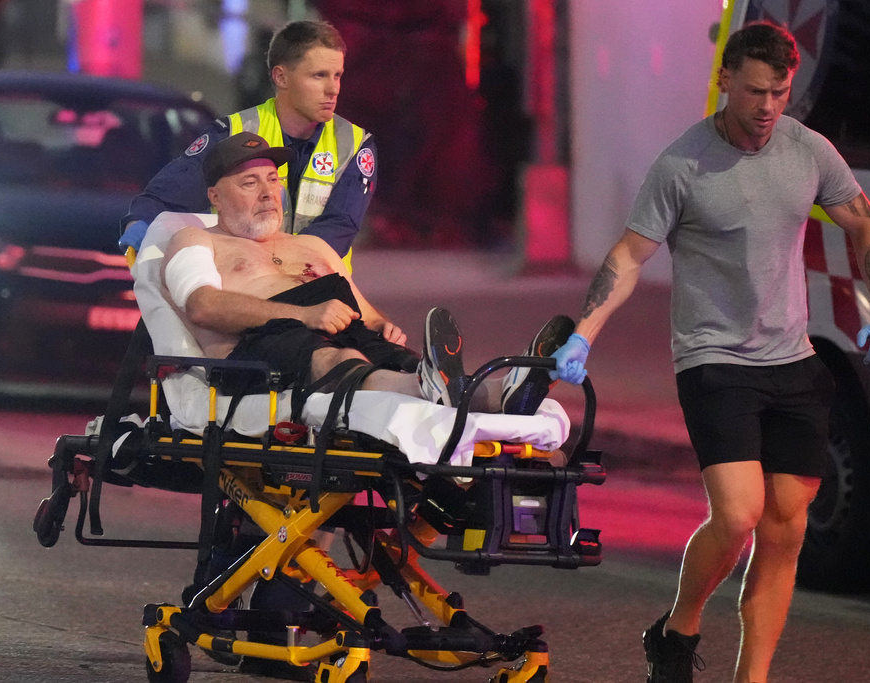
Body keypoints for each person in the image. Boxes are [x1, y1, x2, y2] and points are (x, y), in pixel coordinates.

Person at [550, 22, 870, 683]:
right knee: (738, 512)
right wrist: (584, 333)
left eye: (780, 92)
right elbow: (629, 255)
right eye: (755, 92)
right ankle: (678, 627)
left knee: (785, 527)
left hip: (792, 360)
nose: (769, 106)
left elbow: (864, 221)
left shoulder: (807, 150)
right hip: (714, 359)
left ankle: (753, 676)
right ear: (725, 83)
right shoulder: (683, 164)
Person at [165, 131, 571, 679]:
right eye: (249, 182)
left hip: (349, 340)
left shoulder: (312, 249)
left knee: (386, 356)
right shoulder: (196, 241)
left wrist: (383, 325)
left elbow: (369, 315)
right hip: (266, 353)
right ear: (215, 195)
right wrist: (306, 318)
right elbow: (203, 305)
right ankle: (438, 390)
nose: (267, 193)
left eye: (272, 180)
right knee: (340, 361)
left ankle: (505, 392)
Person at [124, 20, 375, 269]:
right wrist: (140, 223)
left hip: (319, 289)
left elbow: (339, 225)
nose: (333, 89)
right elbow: (168, 195)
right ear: (281, 77)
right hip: (240, 285)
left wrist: (276, 265)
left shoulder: (353, 144)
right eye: (319, 76)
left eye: (337, 75)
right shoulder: (234, 132)